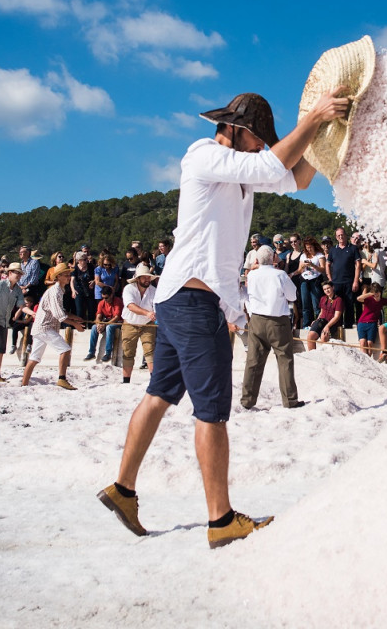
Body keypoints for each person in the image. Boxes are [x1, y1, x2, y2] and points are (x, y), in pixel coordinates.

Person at [98, 87, 348, 548]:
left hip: (178, 301)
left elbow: (299, 178)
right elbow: (272, 163)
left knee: (158, 395)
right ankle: (220, 520)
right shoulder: (202, 154)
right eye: (257, 138)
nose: (261, 146)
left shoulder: (242, 174)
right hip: (196, 303)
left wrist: (333, 135)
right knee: (212, 412)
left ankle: (123, 489)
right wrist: (312, 117)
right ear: (236, 131)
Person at [240, 245, 304, 410]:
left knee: (253, 361)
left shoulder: (252, 275)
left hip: (256, 320)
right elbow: (292, 296)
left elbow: (245, 294)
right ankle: (290, 400)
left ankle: (247, 400)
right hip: (278, 321)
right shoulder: (280, 274)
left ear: (256, 260)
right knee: (284, 360)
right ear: (274, 258)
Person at [21, 263, 86, 388]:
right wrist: (75, 324)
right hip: (45, 327)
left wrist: (75, 317)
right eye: (66, 275)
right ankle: (62, 379)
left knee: (34, 358)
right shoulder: (55, 291)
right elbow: (59, 315)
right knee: (65, 350)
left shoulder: (59, 290)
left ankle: (24, 384)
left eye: (69, 274)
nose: (68, 277)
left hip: (40, 328)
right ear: (59, 276)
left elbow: (60, 312)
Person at [0, 262, 25, 383]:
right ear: (9, 273)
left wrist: (32, 313)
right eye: (16, 273)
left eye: (19, 273)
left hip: (5, 321)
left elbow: (21, 305)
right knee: (0, 348)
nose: (18, 275)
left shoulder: (17, 289)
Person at [120, 265, 158, 383]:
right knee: (128, 352)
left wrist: (156, 315)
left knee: (150, 350)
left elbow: (157, 307)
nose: (147, 279)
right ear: (137, 278)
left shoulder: (154, 291)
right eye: (144, 277)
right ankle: (126, 381)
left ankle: (154, 381)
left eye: (148, 277)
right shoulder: (128, 289)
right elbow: (130, 306)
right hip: (130, 323)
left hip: (147, 324)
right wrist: (147, 313)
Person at [327, 227, 361, 328]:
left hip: (349, 281)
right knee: (337, 305)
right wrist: (330, 279)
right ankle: (337, 326)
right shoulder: (333, 250)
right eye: (338, 235)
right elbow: (327, 265)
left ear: (346, 235)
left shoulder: (353, 248)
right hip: (336, 282)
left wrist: (356, 281)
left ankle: (348, 326)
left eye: (342, 234)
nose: (341, 237)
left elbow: (358, 265)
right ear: (336, 237)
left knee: (349, 305)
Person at [86, 285, 123, 362]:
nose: (105, 300)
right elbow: (98, 316)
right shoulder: (101, 303)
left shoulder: (117, 301)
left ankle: (108, 353)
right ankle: (91, 352)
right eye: (103, 298)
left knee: (109, 328)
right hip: (107, 321)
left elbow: (116, 317)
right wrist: (99, 324)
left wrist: (104, 325)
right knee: (94, 327)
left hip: (118, 322)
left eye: (106, 298)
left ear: (111, 295)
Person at [296, 236, 326, 329]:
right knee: (305, 304)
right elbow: (299, 270)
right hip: (305, 280)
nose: (309, 249)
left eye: (310, 247)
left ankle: (318, 324)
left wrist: (313, 265)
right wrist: (304, 266)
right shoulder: (303, 255)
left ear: (314, 246)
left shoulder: (319, 255)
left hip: (315, 280)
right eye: (307, 247)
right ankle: (306, 325)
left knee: (316, 303)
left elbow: (322, 269)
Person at [306, 280, 344, 351]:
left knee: (324, 337)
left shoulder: (338, 300)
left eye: (328, 288)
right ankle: (312, 356)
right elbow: (321, 312)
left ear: (333, 287)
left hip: (332, 323)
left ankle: (324, 357)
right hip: (322, 320)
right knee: (310, 336)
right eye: (325, 289)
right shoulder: (323, 298)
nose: (327, 290)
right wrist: (316, 320)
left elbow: (337, 316)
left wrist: (327, 326)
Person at [355, 281, 387, 359]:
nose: (376, 295)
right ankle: (364, 359)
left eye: (377, 292)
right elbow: (358, 298)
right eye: (374, 293)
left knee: (369, 343)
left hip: (372, 324)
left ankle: (369, 359)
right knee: (362, 342)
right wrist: (370, 293)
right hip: (362, 322)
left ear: (380, 292)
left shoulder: (382, 300)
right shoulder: (368, 299)